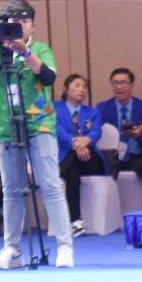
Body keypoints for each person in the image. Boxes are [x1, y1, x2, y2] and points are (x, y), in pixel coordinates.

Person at [0, 0, 75, 268]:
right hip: (5, 127)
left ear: (32, 25)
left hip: (39, 125)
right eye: (13, 22)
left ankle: (65, 246)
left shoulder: (41, 49)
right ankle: (12, 250)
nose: (19, 26)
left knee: (50, 186)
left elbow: (48, 77)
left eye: (24, 21)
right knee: (11, 190)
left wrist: (24, 51)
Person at [96, 68, 142, 207]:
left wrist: (140, 134)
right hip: (111, 157)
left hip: (136, 156)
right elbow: (96, 134)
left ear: (132, 85)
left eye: (123, 82)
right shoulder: (102, 108)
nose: (119, 87)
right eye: (115, 83)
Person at [55, 74, 107, 237]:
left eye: (84, 87)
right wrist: (75, 143)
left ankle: (56, 174)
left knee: (72, 161)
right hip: (67, 158)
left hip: (90, 159)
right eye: (77, 86)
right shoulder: (54, 109)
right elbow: (56, 130)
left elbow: (96, 131)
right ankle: (76, 222)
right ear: (65, 89)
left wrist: (85, 142)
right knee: (72, 174)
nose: (82, 90)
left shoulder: (92, 112)